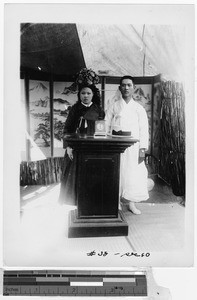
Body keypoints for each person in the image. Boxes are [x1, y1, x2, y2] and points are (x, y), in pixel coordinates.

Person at [105, 76, 149, 214]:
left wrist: (142, 148)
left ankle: (132, 203)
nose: (126, 88)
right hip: (116, 146)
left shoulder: (138, 108)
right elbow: (106, 124)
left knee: (133, 173)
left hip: (134, 147)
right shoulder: (114, 106)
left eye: (129, 85)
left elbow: (143, 129)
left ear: (133, 87)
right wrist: (106, 143)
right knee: (117, 171)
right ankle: (116, 201)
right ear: (119, 88)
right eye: (123, 85)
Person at [59, 74, 105, 205]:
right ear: (79, 95)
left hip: (93, 147)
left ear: (93, 95)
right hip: (75, 148)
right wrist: (68, 147)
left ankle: (90, 204)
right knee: (74, 177)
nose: (85, 95)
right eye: (83, 93)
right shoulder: (74, 109)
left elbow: (102, 130)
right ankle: (76, 203)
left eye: (88, 93)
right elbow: (67, 129)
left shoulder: (99, 110)